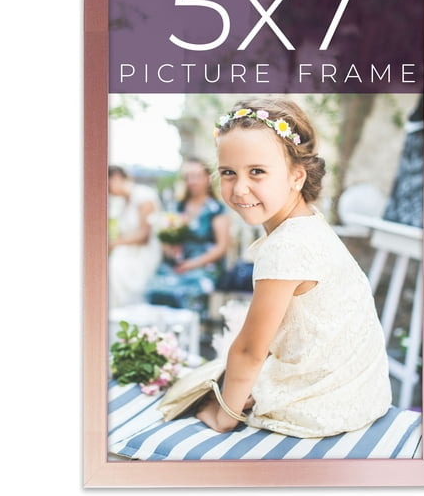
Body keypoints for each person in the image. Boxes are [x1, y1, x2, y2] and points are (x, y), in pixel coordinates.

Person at [196, 97, 392, 438]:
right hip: (362, 392)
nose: (239, 188)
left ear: (296, 176)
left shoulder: (286, 247)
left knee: (202, 393)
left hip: (323, 406)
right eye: (228, 172)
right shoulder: (310, 223)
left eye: (257, 171)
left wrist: (224, 415)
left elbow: (250, 350)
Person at [144, 157, 230, 311]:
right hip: (177, 264)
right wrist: (170, 248)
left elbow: (221, 247)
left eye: (197, 176)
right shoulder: (178, 207)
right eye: (188, 177)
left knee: (187, 292)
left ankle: (192, 325)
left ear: (208, 178)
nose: (192, 181)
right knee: (154, 288)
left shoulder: (216, 209)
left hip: (204, 266)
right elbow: (167, 238)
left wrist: (193, 264)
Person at [108, 165, 162, 308]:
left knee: (113, 271)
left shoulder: (144, 196)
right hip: (125, 252)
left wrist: (113, 244)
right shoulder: (121, 203)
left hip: (143, 253)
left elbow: (144, 235)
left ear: (116, 178)